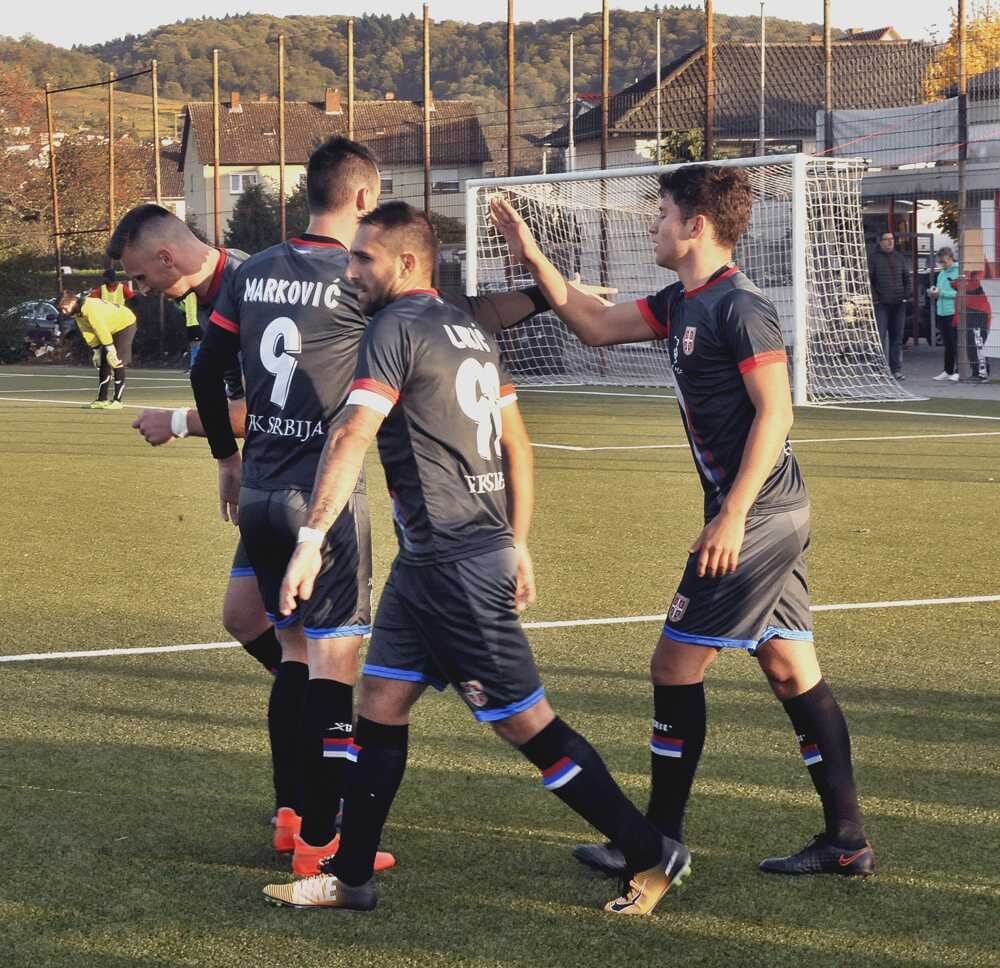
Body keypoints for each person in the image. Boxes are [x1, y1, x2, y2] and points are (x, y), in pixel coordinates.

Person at [265, 200, 690, 915]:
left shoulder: (394, 327)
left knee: (528, 725)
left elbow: (350, 437)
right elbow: (517, 446)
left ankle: (653, 854)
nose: (352, 267)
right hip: (435, 561)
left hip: (456, 565)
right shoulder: (468, 328)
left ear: (405, 262)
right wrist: (516, 540)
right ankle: (353, 877)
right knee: (381, 703)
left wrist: (310, 541)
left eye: (363, 257)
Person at [489, 164, 875, 880]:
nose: (653, 224)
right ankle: (846, 840)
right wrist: (530, 252)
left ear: (696, 225)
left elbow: (778, 413)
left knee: (673, 664)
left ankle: (655, 843)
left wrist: (730, 516)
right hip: (766, 513)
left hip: (756, 515)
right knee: (791, 669)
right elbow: (597, 325)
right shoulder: (682, 300)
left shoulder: (739, 307)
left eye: (662, 212)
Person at [107, 204, 288, 833]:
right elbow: (226, 394)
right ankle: (317, 707)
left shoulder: (253, 286)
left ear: (166, 257)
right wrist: (226, 461)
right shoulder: (205, 295)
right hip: (264, 479)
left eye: (142, 275)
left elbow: (272, 404)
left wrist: (180, 422)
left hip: (302, 485)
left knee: (298, 644)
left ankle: (324, 745)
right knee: (244, 619)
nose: (140, 290)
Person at [56, 288, 136, 410]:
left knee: (116, 361)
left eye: (64, 308)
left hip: (124, 324)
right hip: (110, 327)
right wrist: (96, 350)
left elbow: (100, 329)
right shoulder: (78, 313)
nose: (63, 312)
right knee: (104, 362)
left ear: (72, 302)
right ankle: (102, 400)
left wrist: (111, 350)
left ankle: (117, 401)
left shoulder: (90, 308)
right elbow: (87, 331)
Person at [869, 231, 910, 380]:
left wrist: (906, 295)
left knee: (897, 337)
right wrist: (876, 298)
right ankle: (878, 369)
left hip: (899, 304)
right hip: (882, 304)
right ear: (881, 242)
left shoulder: (899, 257)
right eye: (886, 239)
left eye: (892, 239)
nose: (890, 242)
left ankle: (896, 370)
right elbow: (869, 279)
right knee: (880, 336)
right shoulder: (874, 258)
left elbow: (907, 277)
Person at [927, 247, 960, 382]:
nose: (943, 265)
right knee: (947, 344)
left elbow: (959, 293)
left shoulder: (959, 272)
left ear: (951, 258)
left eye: (944, 262)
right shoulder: (941, 274)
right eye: (941, 262)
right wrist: (933, 292)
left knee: (955, 343)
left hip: (953, 312)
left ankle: (959, 371)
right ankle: (948, 370)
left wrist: (941, 294)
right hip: (941, 312)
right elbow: (939, 290)